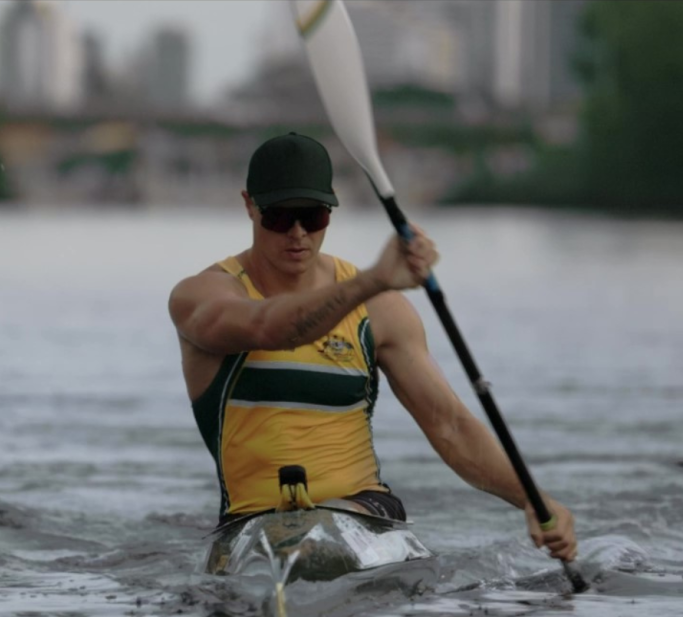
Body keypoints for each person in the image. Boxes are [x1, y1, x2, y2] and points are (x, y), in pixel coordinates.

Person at [169, 132, 577, 561]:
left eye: (312, 216)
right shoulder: (202, 298)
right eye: (278, 216)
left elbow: (450, 426)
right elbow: (271, 328)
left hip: (366, 514)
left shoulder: (381, 312)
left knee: (322, 541)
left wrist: (533, 500)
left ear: (330, 210)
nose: (297, 233)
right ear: (249, 204)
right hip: (247, 525)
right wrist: (372, 280)